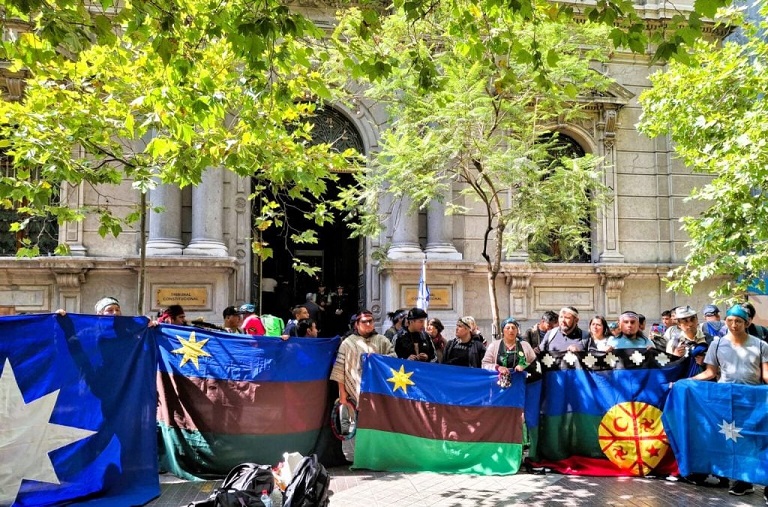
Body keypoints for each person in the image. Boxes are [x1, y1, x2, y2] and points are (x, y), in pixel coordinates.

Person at [691, 304, 768, 498]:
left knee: (755, 439)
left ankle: (759, 478)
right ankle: (742, 480)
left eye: (738, 321)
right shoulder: (717, 345)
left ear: (747, 323)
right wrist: (686, 382)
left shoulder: (760, 345)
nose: (734, 325)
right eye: (730, 321)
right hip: (726, 400)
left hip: (752, 400)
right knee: (733, 440)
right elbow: (710, 372)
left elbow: (765, 375)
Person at [330, 310, 394, 424]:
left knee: (376, 425)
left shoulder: (383, 341)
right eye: (364, 322)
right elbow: (339, 370)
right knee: (353, 427)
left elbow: (394, 359)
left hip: (379, 391)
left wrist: (378, 358)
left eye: (370, 321)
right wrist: (342, 393)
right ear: (357, 324)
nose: (368, 324)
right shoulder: (347, 343)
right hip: (353, 393)